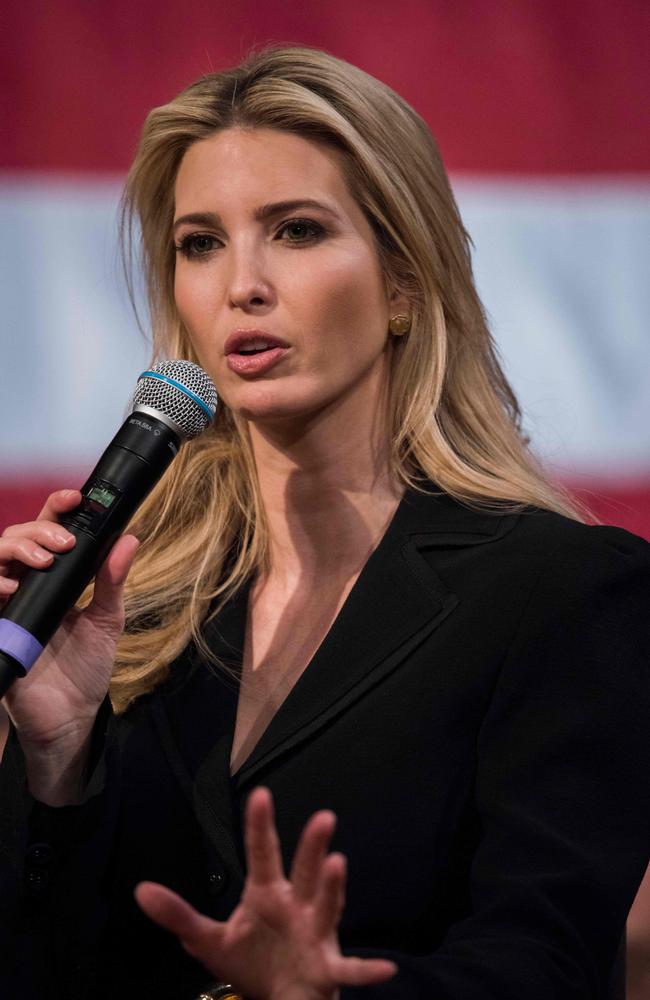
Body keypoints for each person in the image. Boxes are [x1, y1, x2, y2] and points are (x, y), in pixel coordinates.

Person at [0, 45, 648, 1000]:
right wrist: (55, 764)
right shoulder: (129, 618)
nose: (241, 285)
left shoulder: (562, 592)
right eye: (200, 243)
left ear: (402, 282)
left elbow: (548, 962)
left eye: (296, 231)